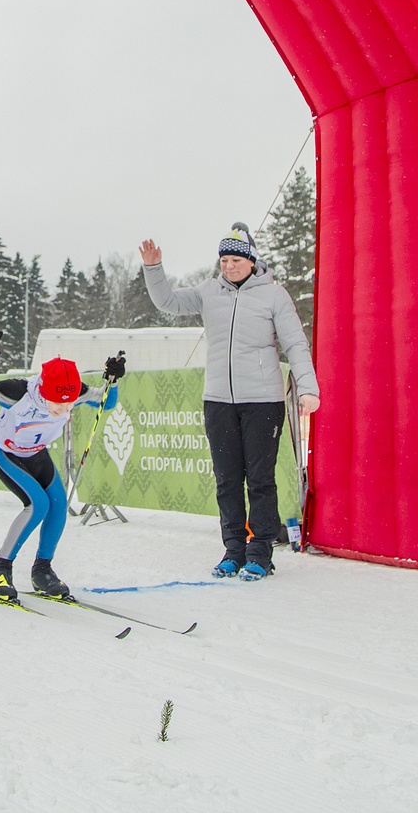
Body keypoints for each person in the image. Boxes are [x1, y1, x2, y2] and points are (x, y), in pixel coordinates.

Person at [138, 223, 320, 581]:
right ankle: (233, 550)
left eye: (236, 259)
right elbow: (169, 303)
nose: (229, 266)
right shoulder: (209, 292)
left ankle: (260, 553)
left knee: (260, 480)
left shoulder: (274, 295)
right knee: (227, 480)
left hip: (262, 401)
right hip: (219, 400)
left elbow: (295, 343)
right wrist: (153, 269)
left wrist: (308, 387)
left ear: (252, 261)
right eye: (224, 260)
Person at [0, 352, 122, 600]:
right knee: (37, 505)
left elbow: (106, 403)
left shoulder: (76, 393)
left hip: (36, 453)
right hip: (4, 452)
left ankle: (42, 572)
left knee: (58, 505)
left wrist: (113, 380)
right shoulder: (16, 392)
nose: (64, 409)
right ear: (43, 391)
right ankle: (0, 569)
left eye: (69, 404)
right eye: (58, 404)